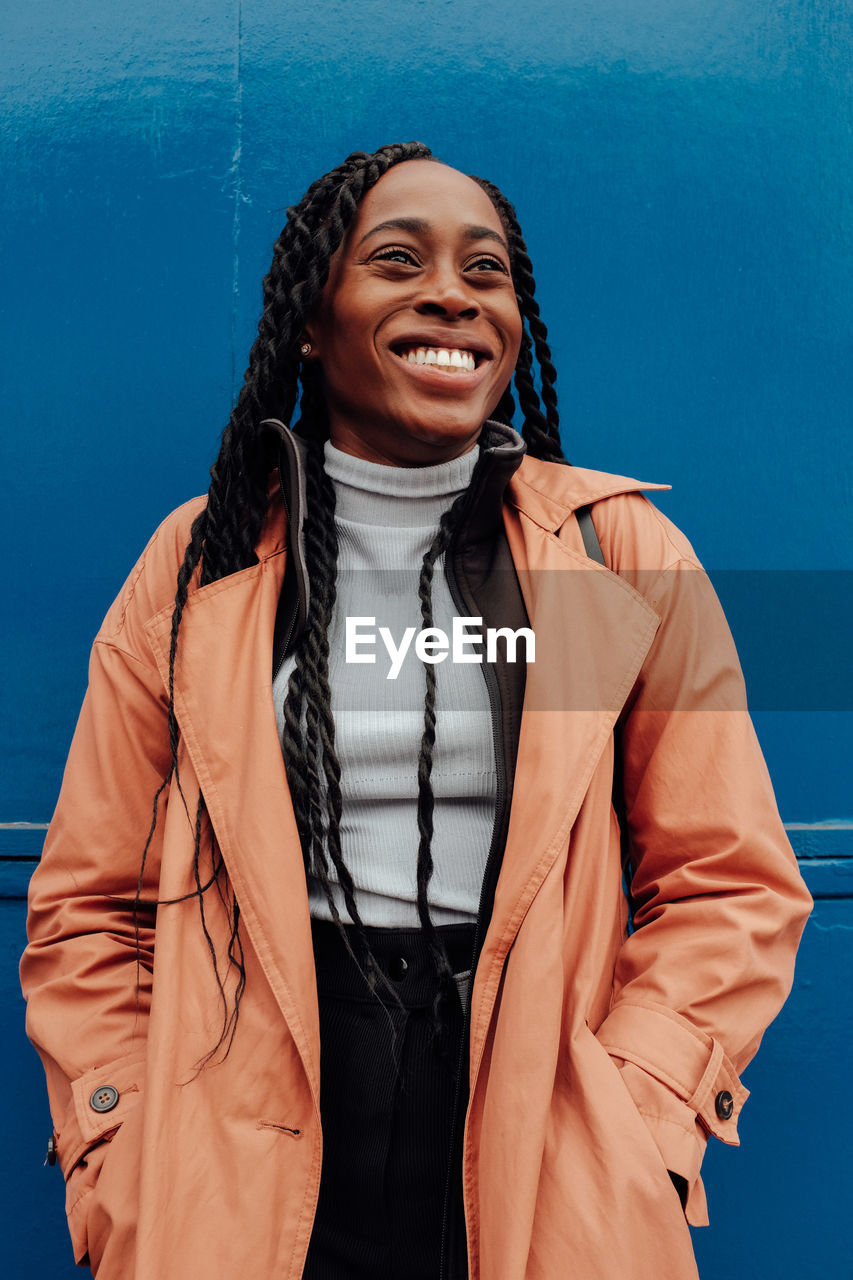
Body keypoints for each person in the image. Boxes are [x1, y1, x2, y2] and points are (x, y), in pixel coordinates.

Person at [20, 141, 812, 1280]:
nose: (452, 293)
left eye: (485, 271)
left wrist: (635, 1111)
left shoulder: (610, 556)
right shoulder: (200, 566)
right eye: (397, 261)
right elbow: (92, 907)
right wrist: (121, 1151)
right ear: (309, 318)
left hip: (544, 1126)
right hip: (241, 1140)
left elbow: (729, 881)